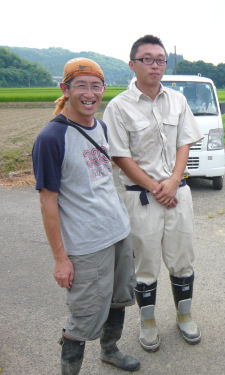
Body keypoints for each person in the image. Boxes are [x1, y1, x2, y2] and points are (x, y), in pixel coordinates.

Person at [32, 58, 140, 374]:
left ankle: (110, 350)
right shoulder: (51, 139)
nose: (90, 93)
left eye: (96, 86)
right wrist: (60, 259)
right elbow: (47, 203)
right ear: (65, 89)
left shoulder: (101, 126)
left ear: (103, 89)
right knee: (84, 314)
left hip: (118, 233)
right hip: (86, 244)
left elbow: (102, 181)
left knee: (120, 297)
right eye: (81, 85)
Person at [103, 35, 203, 352]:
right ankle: (147, 323)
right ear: (132, 64)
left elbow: (184, 142)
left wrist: (174, 181)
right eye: (147, 58)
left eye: (160, 59)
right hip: (141, 197)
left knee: (182, 258)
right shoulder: (119, 107)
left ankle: (184, 316)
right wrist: (155, 186)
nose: (155, 64)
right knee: (144, 263)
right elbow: (120, 155)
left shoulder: (178, 101)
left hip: (178, 193)